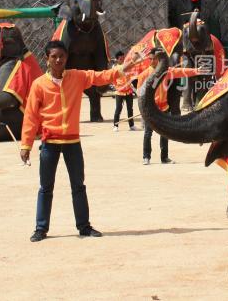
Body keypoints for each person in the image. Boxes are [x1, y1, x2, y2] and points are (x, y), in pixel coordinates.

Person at [20, 40, 141, 242]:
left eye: (62, 56)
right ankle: (41, 228)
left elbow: (102, 76)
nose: (58, 60)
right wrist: (26, 144)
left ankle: (84, 227)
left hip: (72, 143)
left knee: (78, 186)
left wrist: (126, 66)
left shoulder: (77, 77)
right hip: (50, 143)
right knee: (46, 187)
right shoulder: (39, 85)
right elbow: (31, 116)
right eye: (54, 56)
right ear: (47, 59)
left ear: (66, 58)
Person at [136, 48, 199, 166]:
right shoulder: (144, 75)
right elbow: (140, 94)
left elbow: (180, 71)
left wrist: (196, 71)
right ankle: (146, 156)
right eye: (150, 59)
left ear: (159, 60)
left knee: (164, 134)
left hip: (163, 108)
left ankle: (164, 157)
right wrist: (142, 110)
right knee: (148, 133)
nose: (151, 61)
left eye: (154, 59)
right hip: (150, 109)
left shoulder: (165, 72)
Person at [112, 51, 136, 132]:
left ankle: (131, 125)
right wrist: (117, 87)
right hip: (119, 92)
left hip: (128, 91)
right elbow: (113, 80)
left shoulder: (127, 66)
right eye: (120, 58)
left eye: (123, 58)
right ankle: (115, 125)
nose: (122, 60)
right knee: (118, 109)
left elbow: (131, 75)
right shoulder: (114, 68)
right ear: (117, 59)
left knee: (130, 109)